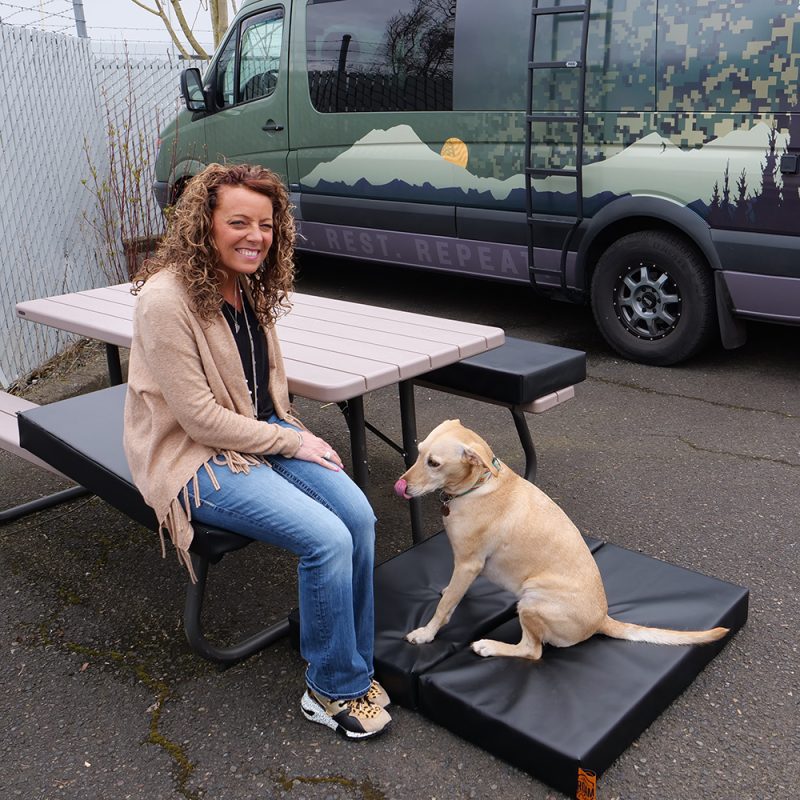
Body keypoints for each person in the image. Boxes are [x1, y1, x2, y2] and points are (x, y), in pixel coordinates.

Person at [123, 162, 391, 740]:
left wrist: (286, 434)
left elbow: (262, 389)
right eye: (238, 222)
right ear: (205, 225)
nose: (255, 237)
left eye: (266, 225)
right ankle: (331, 687)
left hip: (257, 431)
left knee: (360, 520)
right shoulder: (166, 300)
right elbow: (198, 419)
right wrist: (294, 440)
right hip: (193, 456)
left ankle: (347, 655)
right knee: (326, 539)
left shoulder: (248, 285)